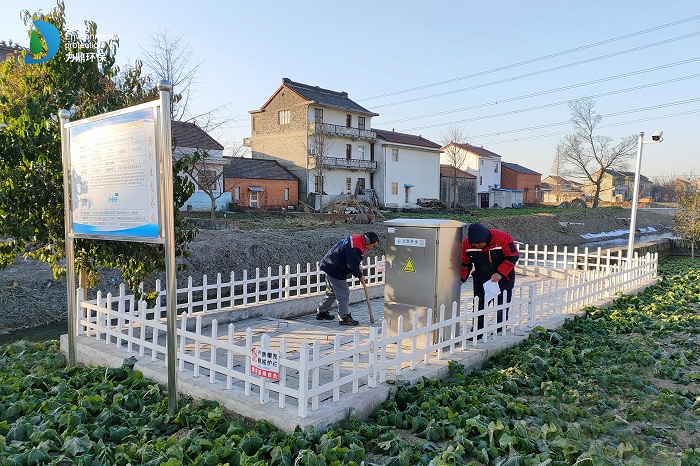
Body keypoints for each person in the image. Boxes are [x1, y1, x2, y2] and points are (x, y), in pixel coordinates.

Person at [461, 223, 519, 331]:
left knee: (501, 304)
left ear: (486, 239)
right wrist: (461, 279)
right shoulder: (466, 244)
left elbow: (513, 256)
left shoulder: (503, 238)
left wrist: (500, 273)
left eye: (479, 243)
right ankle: (477, 331)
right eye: (474, 244)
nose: (477, 246)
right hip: (481, 278)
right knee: (479, 304)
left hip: (503, 278)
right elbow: (465, 263)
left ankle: (500, 329)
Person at [317, 231, 380, 326]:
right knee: (344, 293)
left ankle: (322, 312)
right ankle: (344, 317)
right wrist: (360, 276)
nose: (372, 248)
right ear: (367, 242)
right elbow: (351, 265)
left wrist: (357, 266)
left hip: (330, 264)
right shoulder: (356, 247)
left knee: (332, 292)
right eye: (372, 245)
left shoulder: (357, 239)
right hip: (335, 268)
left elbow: (351, 259)